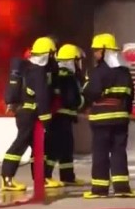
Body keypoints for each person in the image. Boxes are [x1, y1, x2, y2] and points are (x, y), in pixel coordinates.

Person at [81, 33, 135, 199]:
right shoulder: (124, 72)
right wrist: (126, 113)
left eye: (97, 50)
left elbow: (91, 92)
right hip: (120, 118)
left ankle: (99, 189)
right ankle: (122, 188)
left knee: (100, 153)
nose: (95, 54)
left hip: (101, 119)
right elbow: (130, 94)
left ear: (105, 51)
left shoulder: (98, 72)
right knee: (119, 151)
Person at [0, 37, 55, 192]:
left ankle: (40, 178)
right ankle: (6, 177)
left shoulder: (28, 68)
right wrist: (46, 118)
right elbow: (42, 96)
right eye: (52, 54)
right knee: (20, 144)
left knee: (38, 147)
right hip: (29, 115)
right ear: (47, 54)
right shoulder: (39, 72)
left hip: (25, 113)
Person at [44, 44, 86, 187]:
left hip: (62, 118)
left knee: (67, 147)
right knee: (55, 147)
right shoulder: (67, 76)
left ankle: (67, 176)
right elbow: (71, 99)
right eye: (77, 60)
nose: (79, 64)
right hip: (60, 118)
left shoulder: (59, 74)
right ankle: (46, 176)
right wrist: (83, 100)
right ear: (72, 60)